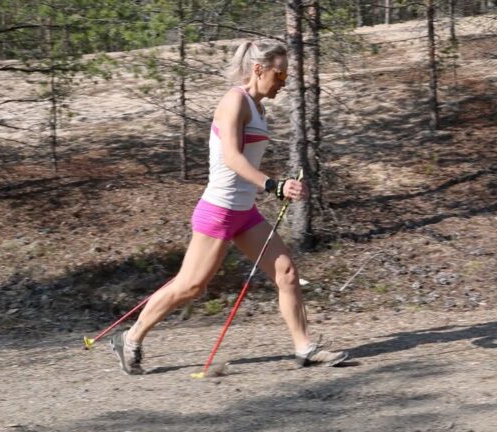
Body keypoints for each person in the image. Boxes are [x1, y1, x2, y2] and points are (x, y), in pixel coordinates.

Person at [110, 39, 349, 375]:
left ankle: (305, 348)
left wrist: (279, 184)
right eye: (279, 75)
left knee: (287, 273)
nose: (283, 82)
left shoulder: (259, 108)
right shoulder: (234, 102)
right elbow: (232, 158)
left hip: (244, 212)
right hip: (219, 210)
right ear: (258, 69)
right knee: (191, 286)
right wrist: (273, 185)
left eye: (285, 76)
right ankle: (130, 338)